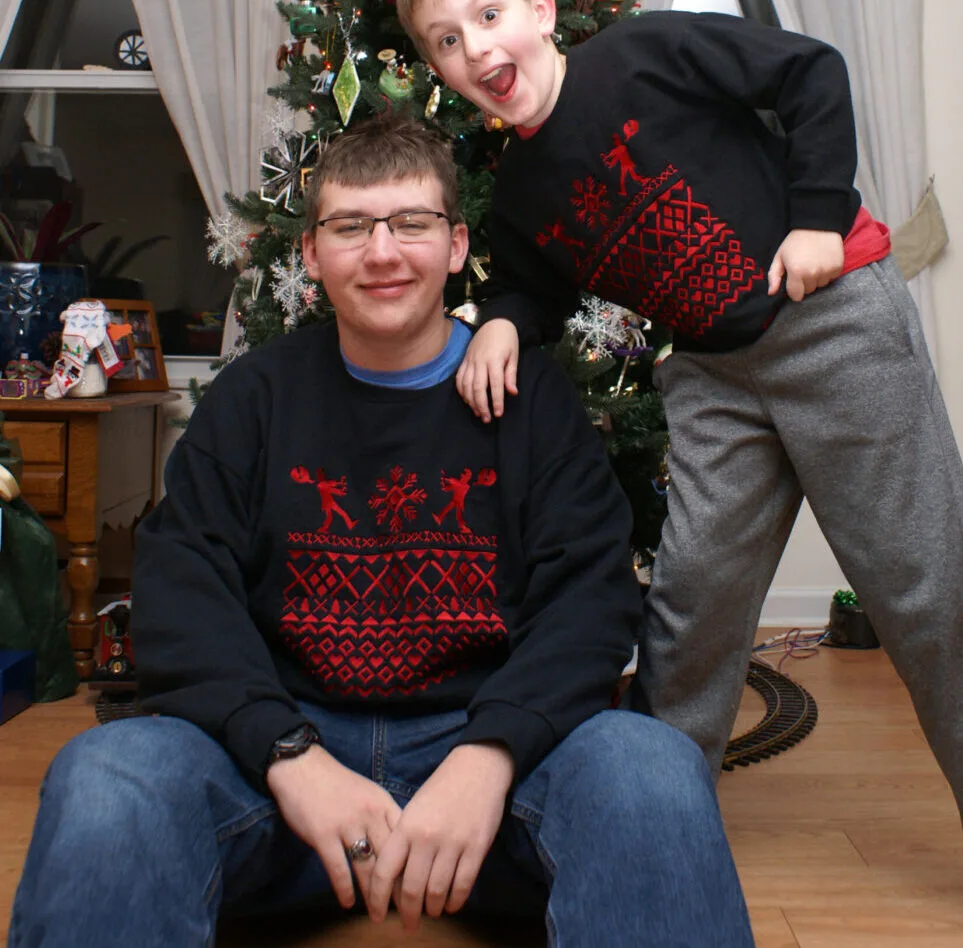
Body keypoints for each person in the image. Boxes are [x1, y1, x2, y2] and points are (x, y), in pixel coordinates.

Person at [9, 115, 754, 948]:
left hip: (487, 764)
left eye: (411, 223)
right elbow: (183, 596)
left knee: (650, 770)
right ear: (310, 253)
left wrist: (489, 756)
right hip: (283, 761)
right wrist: (288, 755)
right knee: (105, 776)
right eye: (351, 226)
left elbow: (589, 600)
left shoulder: (533, 403)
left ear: (454, 242)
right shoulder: (252, 399)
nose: (383, 251)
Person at [396, 0, 963, 816]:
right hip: (711, 376)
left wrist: (817, 213)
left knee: (926, 589)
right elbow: (524, 282)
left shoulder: (644, 54)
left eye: (489, 14)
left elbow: (810, 70)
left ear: (539, 10)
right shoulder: (518, 192)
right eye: (447, 41)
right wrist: (502, 323)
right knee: (691, 608)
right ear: (441, 73)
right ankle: (654, 821)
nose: (477, 48)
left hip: (830, 323)